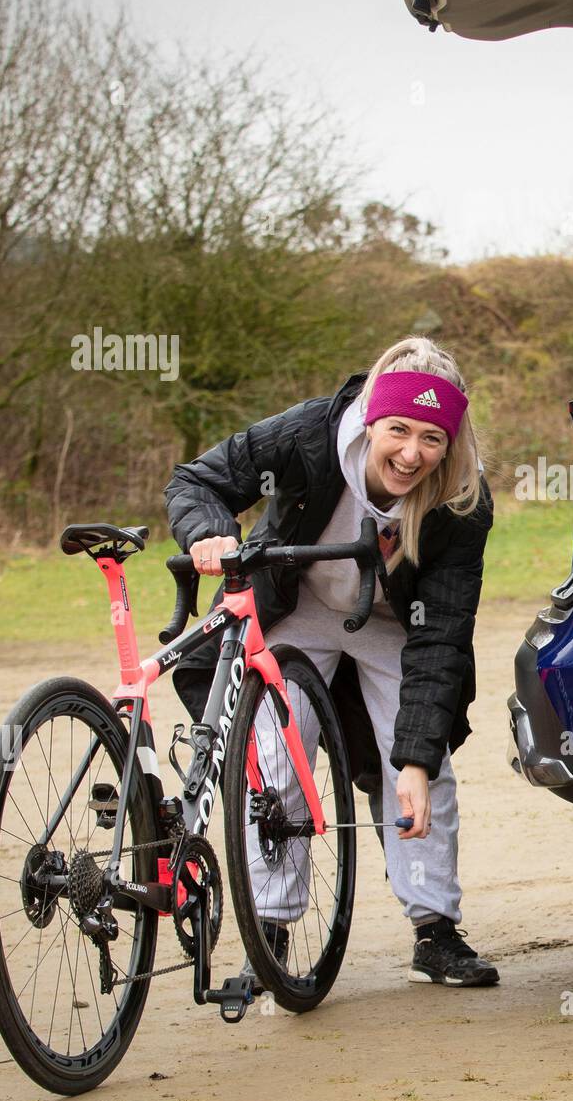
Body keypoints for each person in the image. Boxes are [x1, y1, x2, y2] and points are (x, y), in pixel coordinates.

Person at [163, 335, 498, 987]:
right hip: (299, 604)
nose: (411, 453)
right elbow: (198, 480)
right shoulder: (312, 433)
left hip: (395, 623)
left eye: (432, 437)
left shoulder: (461, 500)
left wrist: (418, 756)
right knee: (278, 761)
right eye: (398, 429)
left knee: (419, 771)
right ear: (372, 418)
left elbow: (445, 634)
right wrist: (207, 534)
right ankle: (274, 930)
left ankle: (435, 931)